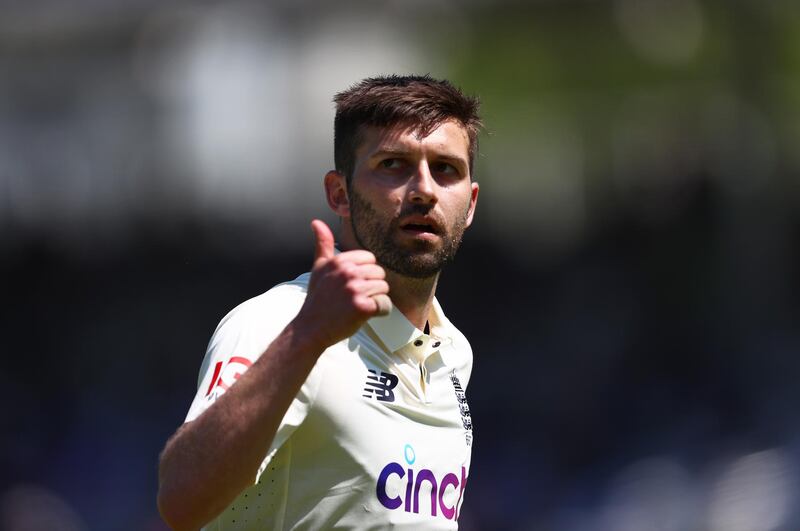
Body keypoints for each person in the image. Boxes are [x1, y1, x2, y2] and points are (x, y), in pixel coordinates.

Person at [157, 74, 482, 530]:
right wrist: (307, 336)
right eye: (393, 164)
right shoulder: (277, 321)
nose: (425, 189)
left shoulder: (454, 352)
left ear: (469, 205)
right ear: (339, 193)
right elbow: (181, 499)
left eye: (445, 169)